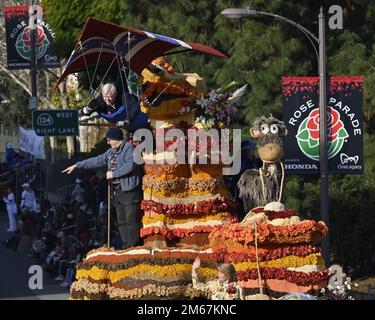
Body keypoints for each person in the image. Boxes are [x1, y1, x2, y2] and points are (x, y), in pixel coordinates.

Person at [62, 127, 143, 249]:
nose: (108, 142)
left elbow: (130, 165)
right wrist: (77, 165)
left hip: (130, 190)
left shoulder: (129, 149)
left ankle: (133, 246)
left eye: (109, 140)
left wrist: (113, 174)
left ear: (116, 139)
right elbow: (97, 160)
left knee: (131, 219)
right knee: (121, 221)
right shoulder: (111, 152)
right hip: (117, 190)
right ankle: (126, 246)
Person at [81, 83, 149, 132]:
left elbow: (134, 108)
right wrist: (87, 109)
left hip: (144, 121)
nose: (107, 99)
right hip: (131, 129)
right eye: (105, 97)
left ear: (115, 94)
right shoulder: (98, 102)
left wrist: (126, 121)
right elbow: (84, 113)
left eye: (110, 97)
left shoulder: (123, 96)